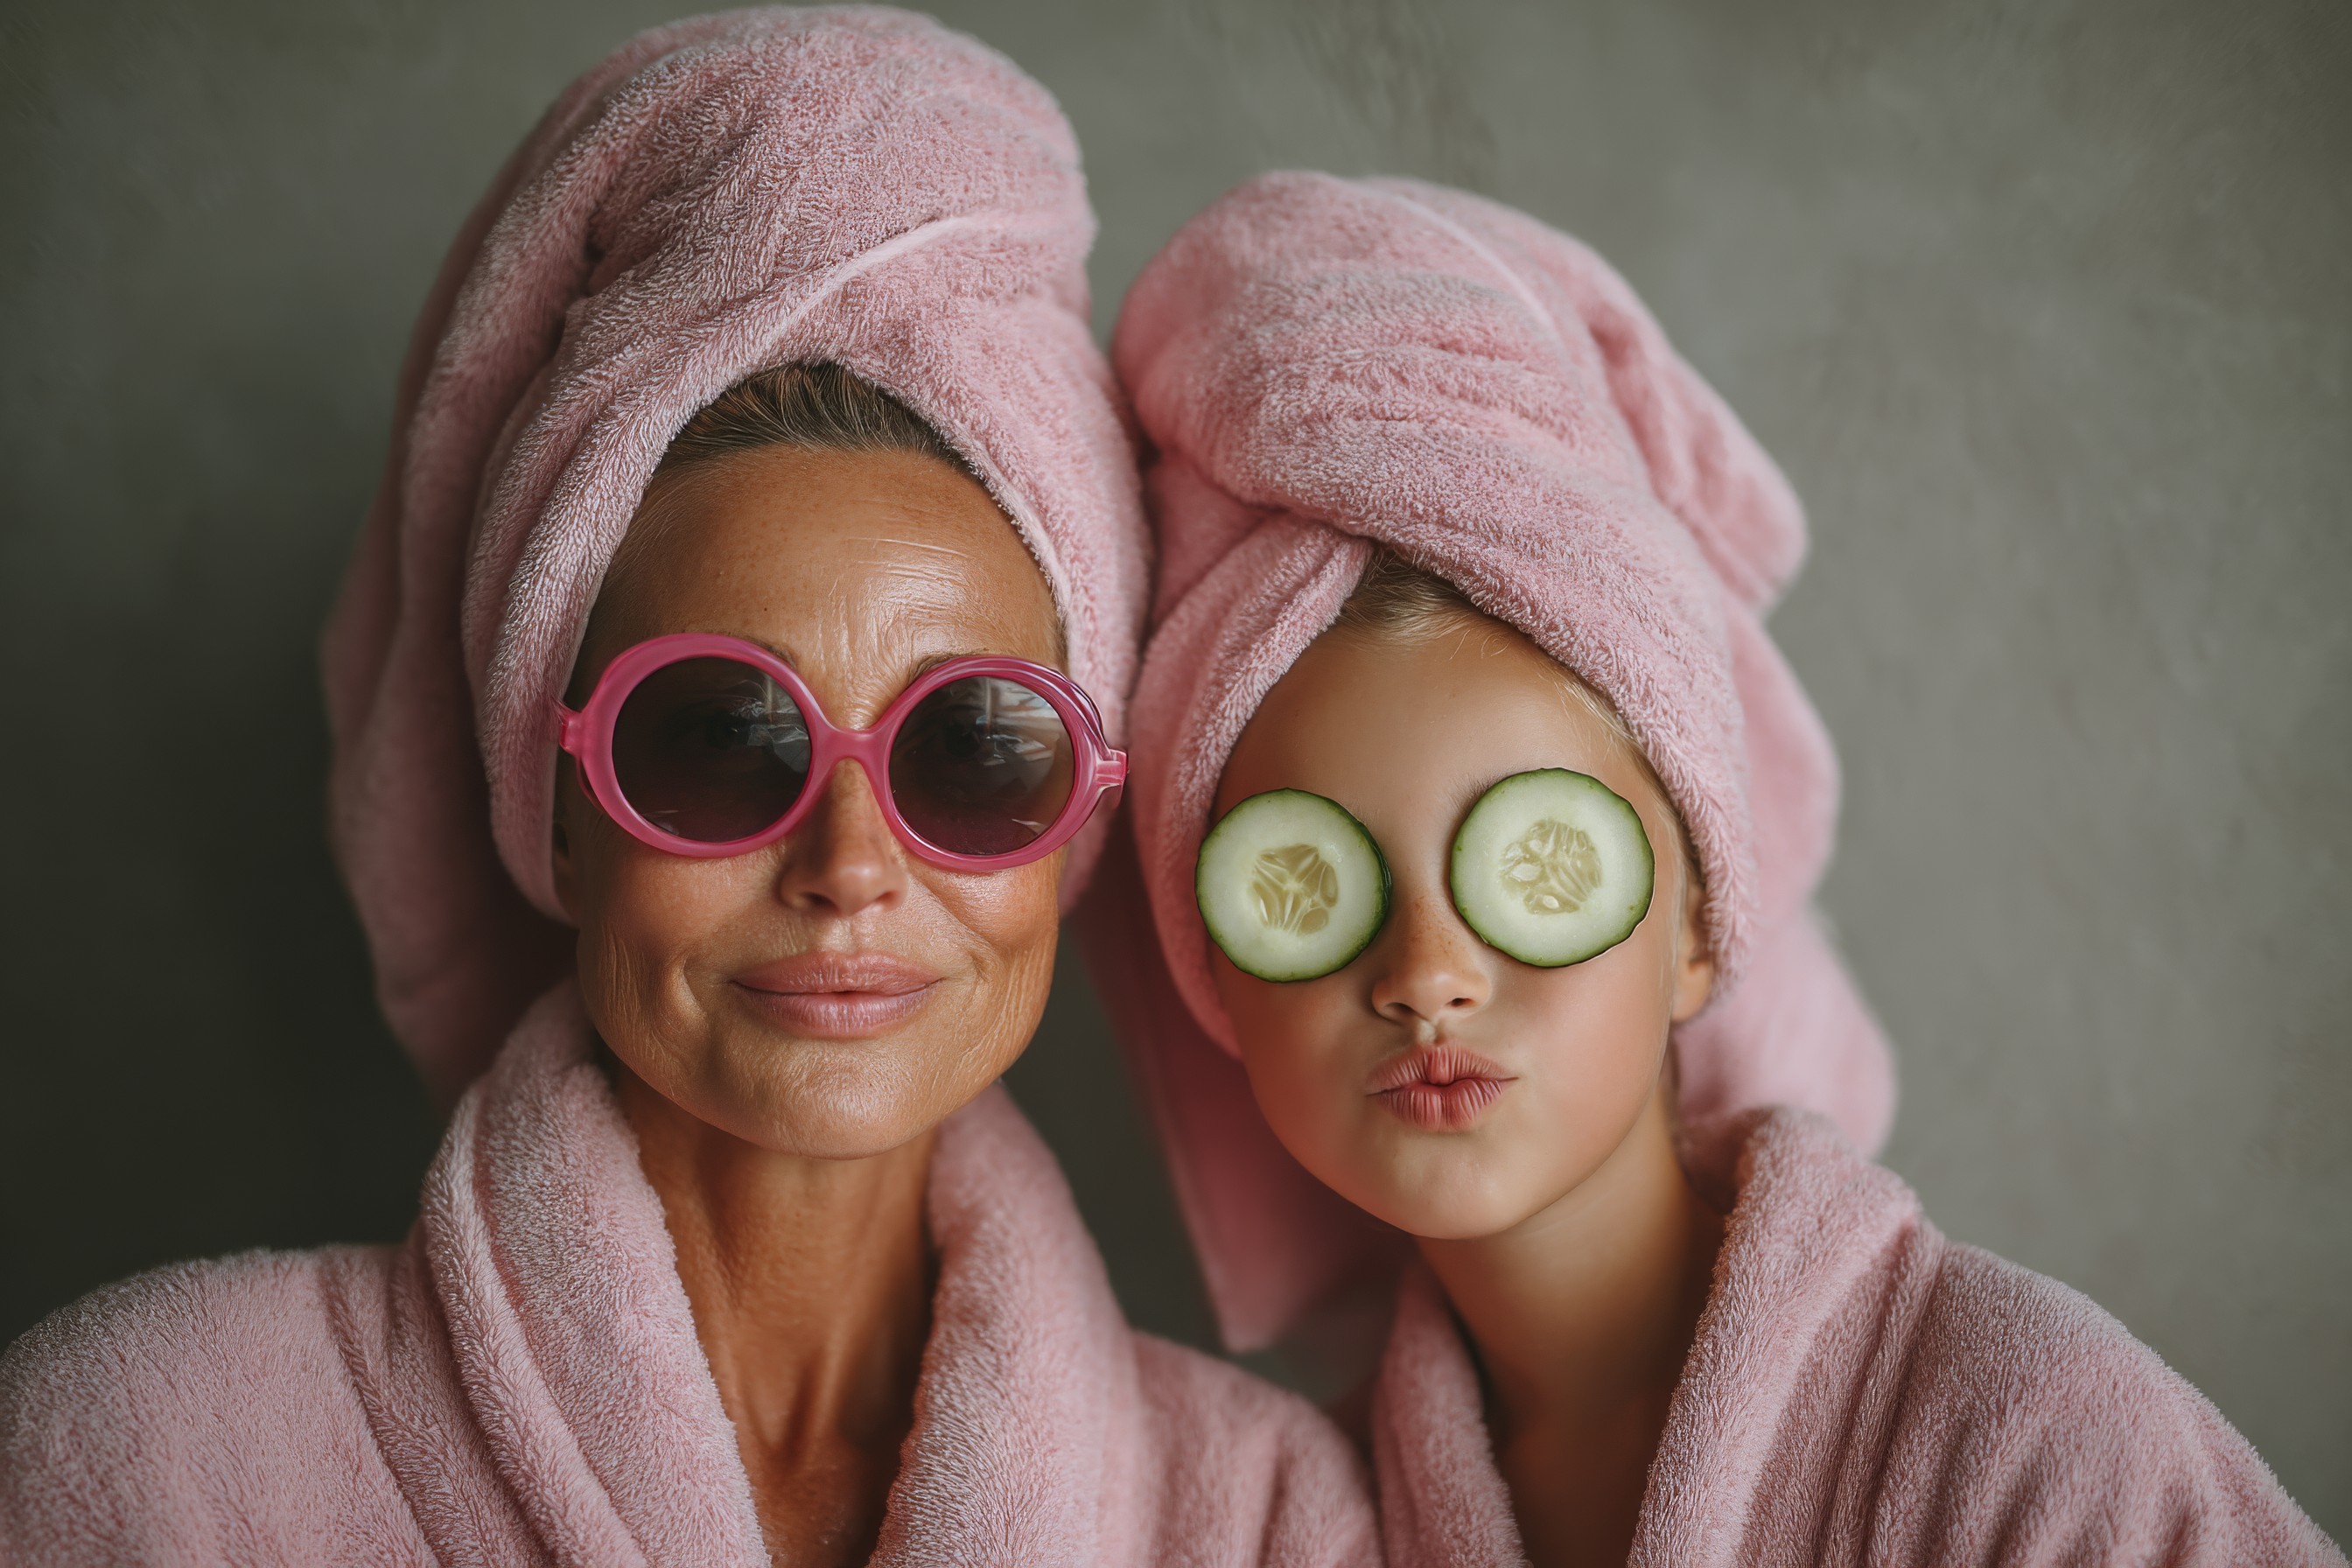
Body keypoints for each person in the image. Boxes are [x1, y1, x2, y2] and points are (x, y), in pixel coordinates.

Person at [0, 19, 1376, 1566]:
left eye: (972, 750)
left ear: (1079, 820)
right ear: (558, 799)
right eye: (723, 736)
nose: (850, 864)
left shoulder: (1270, 1520)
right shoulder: (150, 1462)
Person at [1082, 171, 2342, 1567]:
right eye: (1307, 889)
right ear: (1217, 979)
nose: (1428, 975)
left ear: (1694, 924)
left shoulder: (2038, 1445)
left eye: (1537, 866)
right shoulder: (1291, 1529)